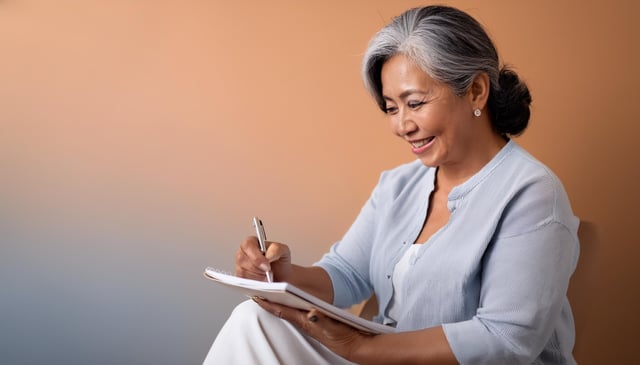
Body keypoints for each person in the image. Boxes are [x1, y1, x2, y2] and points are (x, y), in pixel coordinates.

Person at [203, 5, 579, 364]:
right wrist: (282, 276)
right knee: (251, 321)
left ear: (476, 91)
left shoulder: (532, 194)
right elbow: (347, 273)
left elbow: (506, 339)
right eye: (391, 108)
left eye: (414, 103)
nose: (401, 125)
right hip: (380, 358)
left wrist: (360, 349)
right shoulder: (398, 185)